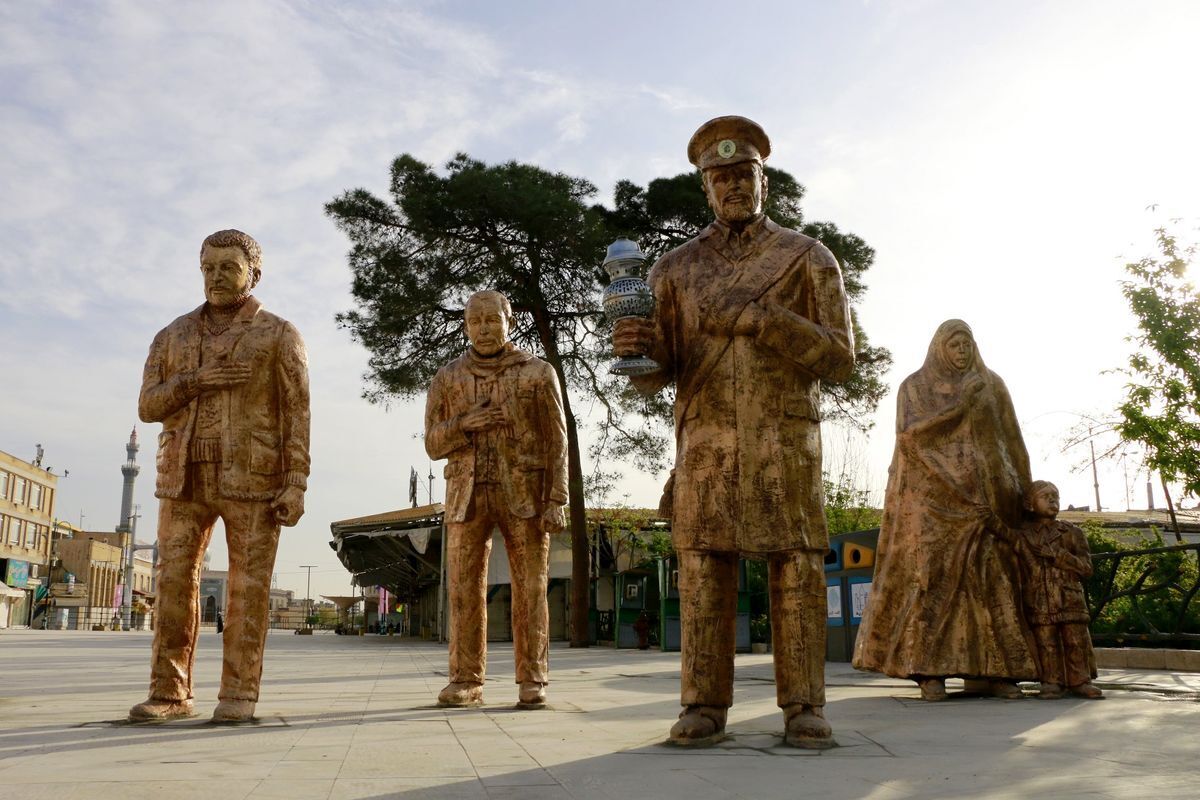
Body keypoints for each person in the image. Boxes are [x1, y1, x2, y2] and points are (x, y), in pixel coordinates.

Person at [613, 116, 855, 747]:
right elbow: (653, 376)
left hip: (785, 440)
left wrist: (763, 321)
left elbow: (840, 359)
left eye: (743, 174)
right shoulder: (674, 270)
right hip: (708, 442)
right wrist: (637, 350)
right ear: (704, 189)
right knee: (703, 569)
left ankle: (804, 704)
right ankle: (702, 704)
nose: (733, 187)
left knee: (796, 567)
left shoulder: (806, 257)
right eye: (720, 178)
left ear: (764, 181)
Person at [129, 229, 310, 723]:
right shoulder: (173, 335)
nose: (215, 277)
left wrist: (296, 482)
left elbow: (298, 412)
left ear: (254, 272)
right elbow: (147, 406)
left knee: (248, 587)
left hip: (253, 477)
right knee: (171, 583)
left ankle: (239, 693)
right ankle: (169, 691)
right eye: (208, 267)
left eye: (227, 267)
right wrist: (193, 382)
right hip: (183, 475)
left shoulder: (278, 333)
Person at [852, 319, 1036, 700]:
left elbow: (1012, 439)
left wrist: (1025, 491)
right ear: (939, 347)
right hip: (932, 502)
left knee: (991, 581)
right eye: (954, 344)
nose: (962, 351)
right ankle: (927, 670)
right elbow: (909, 437)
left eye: (967, 343)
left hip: (986, 502)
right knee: (931, 581)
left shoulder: (992, 384)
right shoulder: (914, 387)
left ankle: (999, 670)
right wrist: (958, 408)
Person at [424, 290, 568, 708]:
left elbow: (557, 439)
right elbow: (432, 444)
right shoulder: (448, 377)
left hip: (523, 491)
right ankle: (465, 678)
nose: (483, 328)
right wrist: (464, 424)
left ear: (510, 321)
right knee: (463, 590)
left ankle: (533, 678)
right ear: (465, 325)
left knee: (531, 587)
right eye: (474, 321)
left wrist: (557, 497)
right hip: (466, 495)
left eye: (492, 319)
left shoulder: (537, 372)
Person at [1001, 481, 1102, 700]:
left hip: (1069, 598)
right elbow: (1002, 532)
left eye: (1055, 496)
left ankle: (1081, 681)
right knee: (1046, 643)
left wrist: (1058, 556)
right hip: (1040, 599)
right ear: (1029, 504)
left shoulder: (1072, 532)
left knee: (1076, 641)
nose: (1052, 500)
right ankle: (1051, 682)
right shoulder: (1024, 536)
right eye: (1045, 496)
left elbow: (1086, 568)